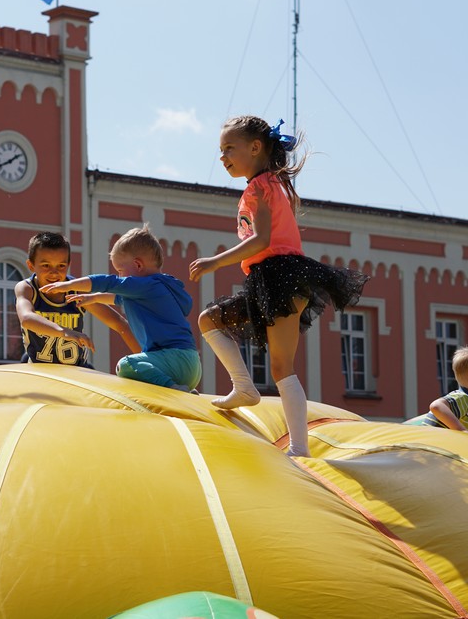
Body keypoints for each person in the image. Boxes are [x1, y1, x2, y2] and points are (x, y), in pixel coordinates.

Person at [188, 116, 368, 457]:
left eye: (229, 148)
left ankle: (299, 447)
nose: (222, 156)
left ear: (255, 148)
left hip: (281, 277)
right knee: (209, 320)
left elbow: (262, 240)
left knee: (282, 366)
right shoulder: (264, 185)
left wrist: (214, 261)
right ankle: (244, 387)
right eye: (220, 150)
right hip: (269, 278)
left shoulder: (262, 186)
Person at [41, 225, 201, 391]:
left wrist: (67, 285)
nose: (119, 276)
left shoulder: (146, 285)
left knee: (127, 365)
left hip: (175, 360)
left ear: (138, 265)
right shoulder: (156, 287)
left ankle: (173, 389)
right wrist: (92, 298)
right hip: (189, 365)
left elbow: (107, 282)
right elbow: (117, 298)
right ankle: (181, 387)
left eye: (120, 270)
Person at [16, 232, 141, 367]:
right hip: (40, 369)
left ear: (69, 264)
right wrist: (64, 332)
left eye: (61, 266)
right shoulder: (27, 288)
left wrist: (146, 358)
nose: (54, 272)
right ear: (31, 265)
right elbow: (27, 318)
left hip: (75, 370)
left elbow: (119, 324)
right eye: (46, 265)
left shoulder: (76, 290)